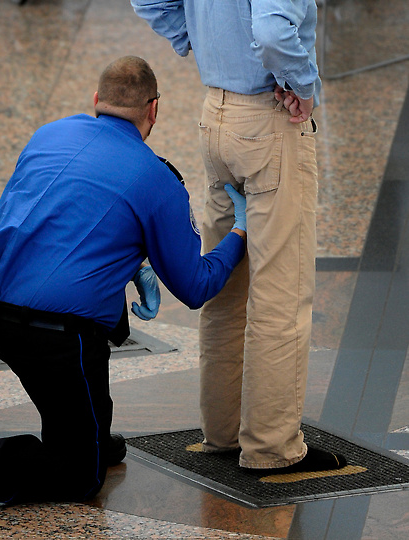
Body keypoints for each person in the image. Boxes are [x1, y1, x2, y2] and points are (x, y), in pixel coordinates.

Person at [0, 55, 248, 516]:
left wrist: (131, 257)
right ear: (154, 110)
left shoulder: (50, 133)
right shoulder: (157, 179)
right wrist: (240, 232)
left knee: (87, 367)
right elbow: (196, 287)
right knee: (80, 474)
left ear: (96, 100)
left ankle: (87, 434)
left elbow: (51, 215)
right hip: (53, 334)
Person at [131, 1, 347, 473]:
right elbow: (272, 32)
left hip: (216, 115)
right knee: (280, 293)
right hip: (269, 119)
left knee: (227, 290)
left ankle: (223, 433)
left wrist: (198, 38)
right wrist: (302, 83)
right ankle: (272, 447)